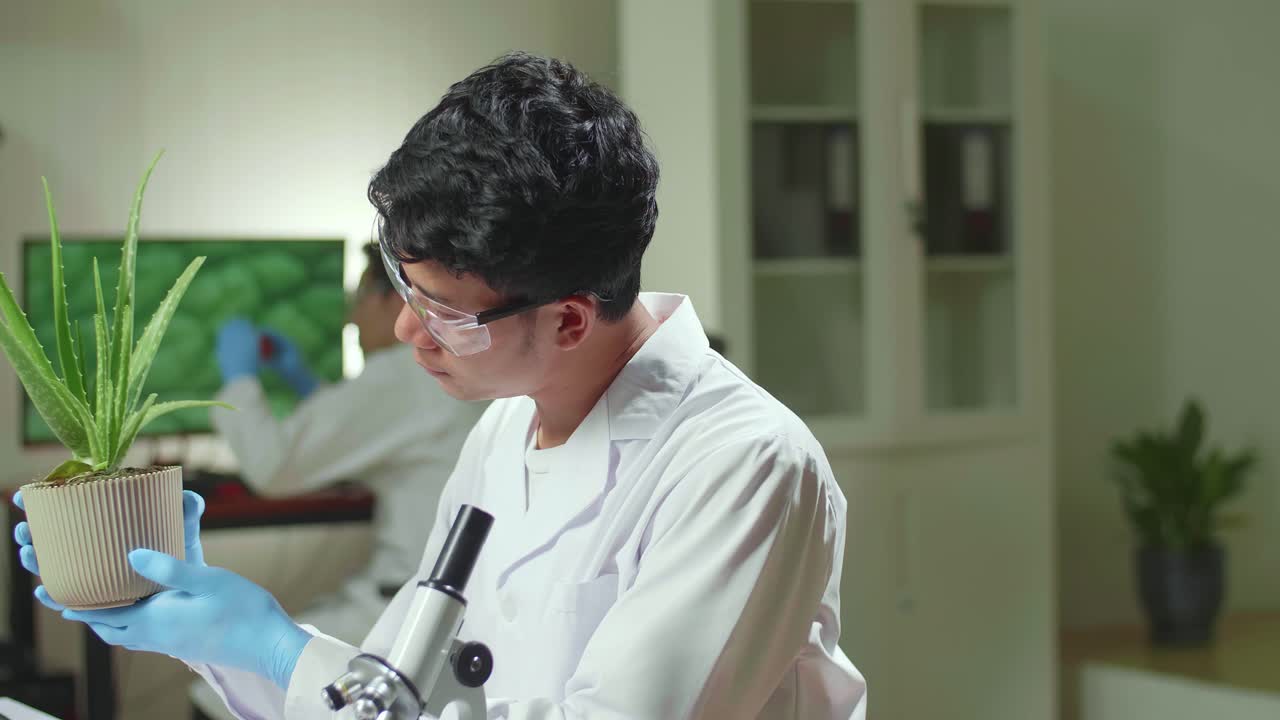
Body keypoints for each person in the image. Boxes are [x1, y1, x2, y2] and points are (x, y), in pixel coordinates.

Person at [13, 52, 867, 719]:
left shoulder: (746, 466)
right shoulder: (505, 428)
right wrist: (227, 639)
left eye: (445, 313)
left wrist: (278, 648)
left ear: (569, 318)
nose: (404, 331)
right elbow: (393, 693)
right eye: (403, 287)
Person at [187, 244, 487, 718]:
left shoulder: (403, 374)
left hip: (406, 615)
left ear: (394, 298)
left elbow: (273, 467)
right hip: (441, 611)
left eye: (358, 297)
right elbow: (369, 435)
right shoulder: (447, 374)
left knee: (218, 690)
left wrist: (238, 377)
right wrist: (306, 383)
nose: (350, 317)